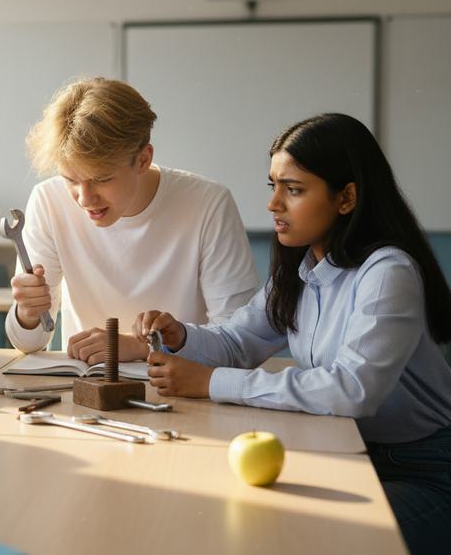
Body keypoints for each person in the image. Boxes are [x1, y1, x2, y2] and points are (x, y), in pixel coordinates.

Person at [137, 113, 451, 553]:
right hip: (346, 452)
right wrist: (180, 336)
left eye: (294, 189)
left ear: (346, 198)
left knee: (312, 537)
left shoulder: (387, 273)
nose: (273, 204)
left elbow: (353, 389)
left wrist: (210, 383)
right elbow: (235, 342)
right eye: (274, 186)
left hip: (424, 470)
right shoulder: (303, 269)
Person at [7, 77, 259, 362]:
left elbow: (241, 344)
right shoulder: (48, 200)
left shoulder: (209, 204)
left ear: (142, 159)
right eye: (70, 179)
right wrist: (26, 314)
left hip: (184, 392)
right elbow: (29, 345)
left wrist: (144, 348)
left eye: (102, 179)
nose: (84, 198)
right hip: (87, 389)